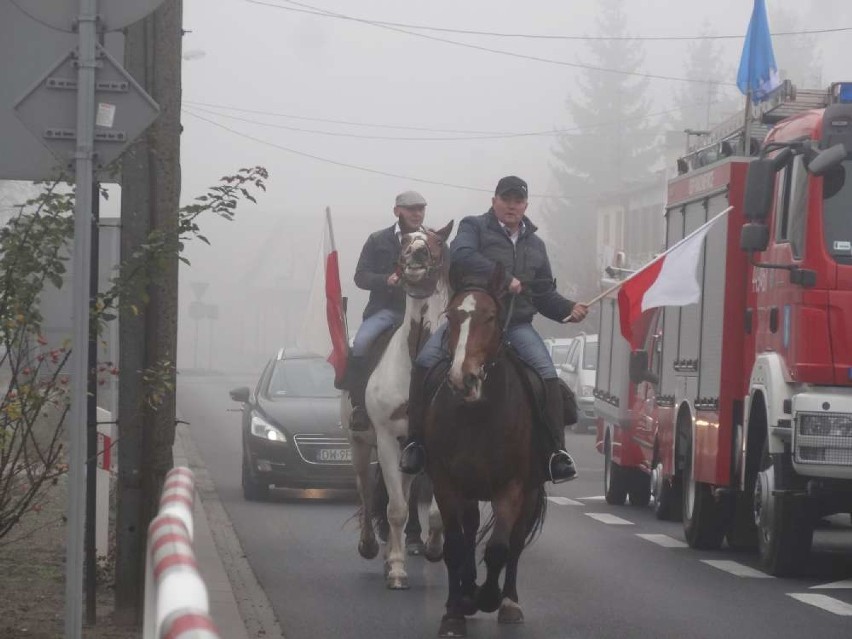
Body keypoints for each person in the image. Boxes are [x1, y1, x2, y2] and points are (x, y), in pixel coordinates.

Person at [398, 176, 588, 482]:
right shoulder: (473, 227)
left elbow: (542, 294)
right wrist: (504, 277)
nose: (512, 205)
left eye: (518, 201)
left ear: (525, 205)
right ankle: (415, 443)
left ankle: (556, 453)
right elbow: (462, 255)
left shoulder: (535, 245)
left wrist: (568, 309)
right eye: (506, 199)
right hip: (471, 321)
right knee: (425, 362)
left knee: (547, 372)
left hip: (516, 324)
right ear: (494, 201)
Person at [345, 190, 428, 431]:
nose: (417, 213)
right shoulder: (377, 240)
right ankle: (359, 406)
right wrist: (385, 280)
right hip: (386, 311)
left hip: (422, 313)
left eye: (421, 208)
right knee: (361, 343)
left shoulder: (433, 241)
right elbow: (360, 276)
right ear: (397, 211)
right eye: (411, 208)